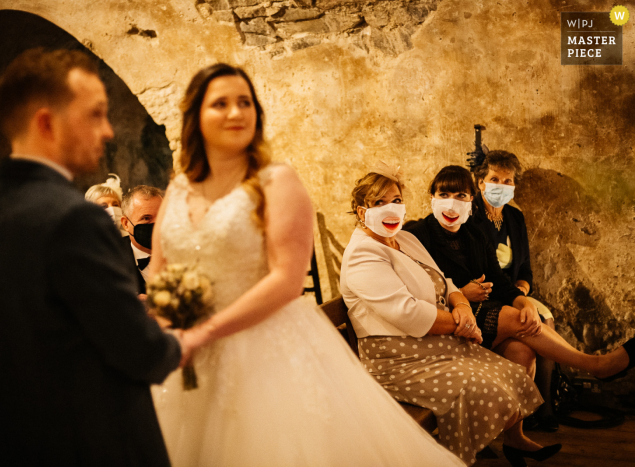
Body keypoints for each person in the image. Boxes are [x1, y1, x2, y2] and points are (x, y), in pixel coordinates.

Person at [147, 63, 464, 467]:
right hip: (185, 347)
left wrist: (205, 331)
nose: (235, 112)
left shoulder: (277, 182)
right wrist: (166, 325)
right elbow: (160, 265)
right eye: (220, 103)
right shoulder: (178, 188)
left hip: (263, 345)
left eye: (245, 102)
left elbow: (286, 279)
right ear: (195, 116)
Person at [0, 48, 183, 467]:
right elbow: (143, 355)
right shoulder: (76, 220)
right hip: (96, 444)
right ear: (46, 122)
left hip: (13, 443)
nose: (108, 131)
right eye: (94, 114)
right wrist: (192, 329)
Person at [340, 163, 556, 466]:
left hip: (432, 345)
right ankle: (452, 457)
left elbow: (446, 280)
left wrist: (463, 307)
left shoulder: (404, 239)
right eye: (380, 203)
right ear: (362, 212)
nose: (391, 209)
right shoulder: (363, 254)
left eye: (397, 201)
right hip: (397, 359)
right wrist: (460, 323)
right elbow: (408, 313)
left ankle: (505, 441)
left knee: (509, 373)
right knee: (484, 385)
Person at [406, 166, 634, 392]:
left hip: (484, 312)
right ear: (432, 198)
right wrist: (462, 294)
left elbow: (499, 279)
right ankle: (596, 365)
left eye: (460, 195)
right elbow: (415, 287)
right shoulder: (417, 234)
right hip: (448, 317)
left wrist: (523, 301)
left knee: (522, 352)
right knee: (518, 319)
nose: (451, 203)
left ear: (471, 199)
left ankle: (514, 428)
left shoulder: (476, 233)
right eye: (444, 195)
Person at [469, 150, 558, 431]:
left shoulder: (515, 218)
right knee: (538, 325)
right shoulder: (470, 217)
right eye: (495, 179)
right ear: (480, 182)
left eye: (508, 181)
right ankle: (535, 410)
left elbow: (526, 269)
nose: (502, 186)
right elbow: (481, 273)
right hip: (488, 296)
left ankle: (543, 405)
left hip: (514, 293)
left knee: (548, 321)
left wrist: (522, 288)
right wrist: (514, 295)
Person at [120, 185, 163, 294]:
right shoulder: (111, 256)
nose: (156, 225)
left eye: (161, 217)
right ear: (126, 223)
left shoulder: (181, 251)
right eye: (146, 218)